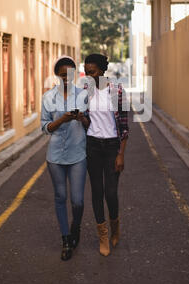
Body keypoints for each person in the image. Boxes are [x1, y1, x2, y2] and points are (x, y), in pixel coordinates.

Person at [41, 56, 90, 261]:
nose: (67, 78)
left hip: (78, 153)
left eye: (70, 74)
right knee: (60, 197)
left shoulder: (83, 96)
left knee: (77, 201)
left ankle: (76, 227)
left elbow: (90, 125)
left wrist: (80, 117)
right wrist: (61, 119)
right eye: (63, 75)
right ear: (57, 76)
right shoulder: (48, 97)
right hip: (55, 156)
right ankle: (66, 239)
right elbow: (45, 127)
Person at [84, 54, 129, 257]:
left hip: (112, 146)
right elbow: (86, 121)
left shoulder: (117, 91)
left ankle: (115, 226)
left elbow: (124, 127)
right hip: (92, 145)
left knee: (110, 192)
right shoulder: (86, 91)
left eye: (91, 71)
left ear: (102, 71)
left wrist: (120, 154)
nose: (88, 75)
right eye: (86, 71)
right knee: (96, 192)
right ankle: (103, 236)